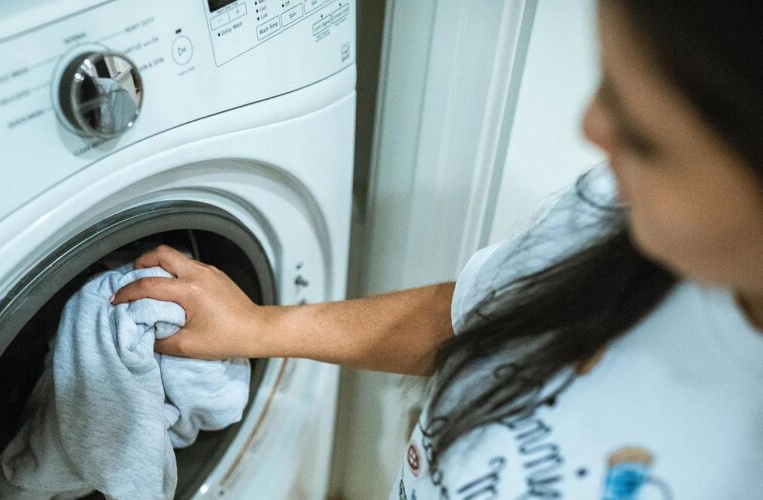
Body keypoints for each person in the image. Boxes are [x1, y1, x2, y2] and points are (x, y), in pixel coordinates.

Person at [113, 0, 763, 497]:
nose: (591, 129)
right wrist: (259, 327)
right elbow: (486, 317)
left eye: (644, 133)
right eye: (608, 81)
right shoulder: (612, 211)